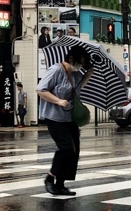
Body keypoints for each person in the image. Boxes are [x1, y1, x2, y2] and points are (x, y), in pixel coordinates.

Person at [35, 44, 92, 196]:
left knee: (74, 151)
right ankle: (50, 178)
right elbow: (41, 90)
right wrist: (58, 101)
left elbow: (77, 89)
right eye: (80, 62)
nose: (81, 66)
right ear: (71, 58)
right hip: (54, 117)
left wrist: (88, 74)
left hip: (69, 117)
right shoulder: (55, 70)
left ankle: (60, 184)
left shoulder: (75, 75)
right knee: (66, 147)